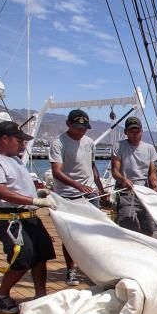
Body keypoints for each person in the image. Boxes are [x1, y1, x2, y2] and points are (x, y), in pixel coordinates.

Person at [0, 121, 57, 314]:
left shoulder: (15, 159)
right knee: (23, 259)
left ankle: (40, 295)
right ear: (5, 139)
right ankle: (2, 293)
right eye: (19, 140)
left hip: (30, 217)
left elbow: (19, 186)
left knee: (41, 256)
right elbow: (1, 191)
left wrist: (39, 195)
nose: (23, 145)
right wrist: (34, 200)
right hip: (11, 219)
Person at [49, 109, 104, 285]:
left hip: (91, 194)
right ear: (68, 124)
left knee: (95, 233)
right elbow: (56, 172)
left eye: (84, 128)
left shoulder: (89, 143)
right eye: (78, 128)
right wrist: (77, 185)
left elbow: (92, 166)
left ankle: (93, 268)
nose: (81, 132)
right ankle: (71, 270)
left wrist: (100, 188)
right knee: (70, 236)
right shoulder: (58, 143)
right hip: (68, 196)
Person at [111, 116, 157, 236]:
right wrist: (123, 179)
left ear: (141, 132)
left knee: (149, 228)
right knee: (128, 229)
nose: (135, 134)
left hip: (144, 193)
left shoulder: (149, 148)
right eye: (132, 131)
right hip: (126, 193)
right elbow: (114, 171)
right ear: (126, 132)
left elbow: (152, 173)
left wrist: (155, 185)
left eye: (137, 131)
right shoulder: (118, 146)